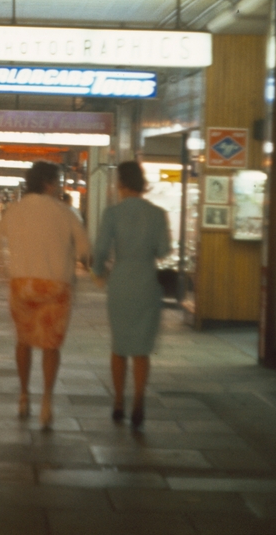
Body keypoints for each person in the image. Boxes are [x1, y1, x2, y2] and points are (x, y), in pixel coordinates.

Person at [0, 161, 90, 429]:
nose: (58, 186)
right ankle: (46, 401)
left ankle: (24, 395)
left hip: (22, 284)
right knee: (51, 345)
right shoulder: (67, 212)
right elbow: (83, 250)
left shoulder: (15, 210)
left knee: (24, 341)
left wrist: (6, 271)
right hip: (56, 286)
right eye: (57, 181)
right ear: (48, 183)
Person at [91, 161, 171, 429]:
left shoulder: (112, 214)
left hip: (121, 282)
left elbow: (101, 249)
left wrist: (99, 272)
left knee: (119, 346)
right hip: (147, 282)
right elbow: (163, 250)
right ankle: (138, 400)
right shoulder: (158, 214)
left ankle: (118, 402)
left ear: (121, 184)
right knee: (141, 350)